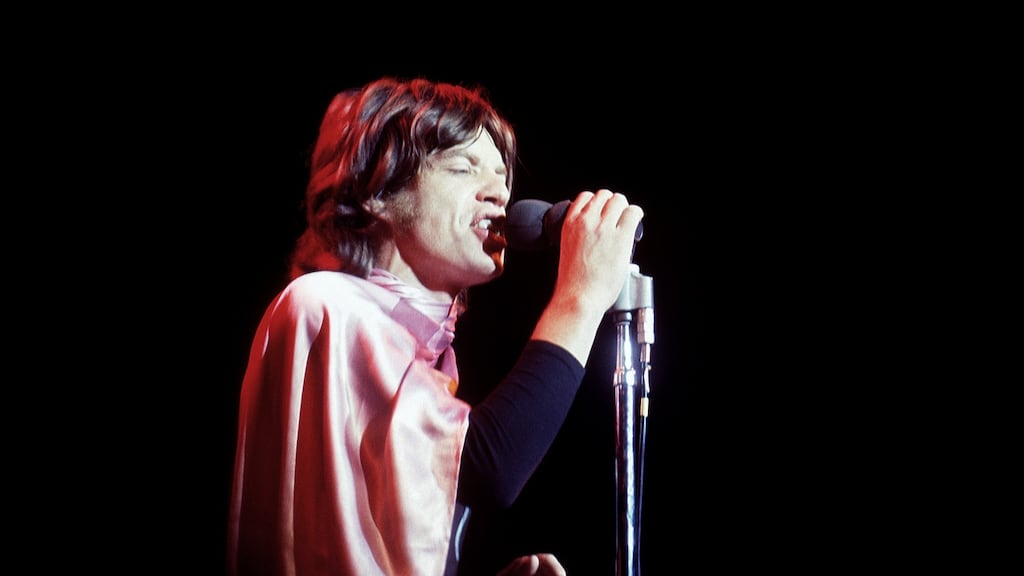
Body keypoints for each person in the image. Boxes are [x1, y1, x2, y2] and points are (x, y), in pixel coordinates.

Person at [227, 76, 644, 576]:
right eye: (464, 168)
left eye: (502, 175)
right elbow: (491, 469)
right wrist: (582, 294)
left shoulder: (421, 351)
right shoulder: (328, 306)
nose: (500, 194)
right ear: (377, 192)